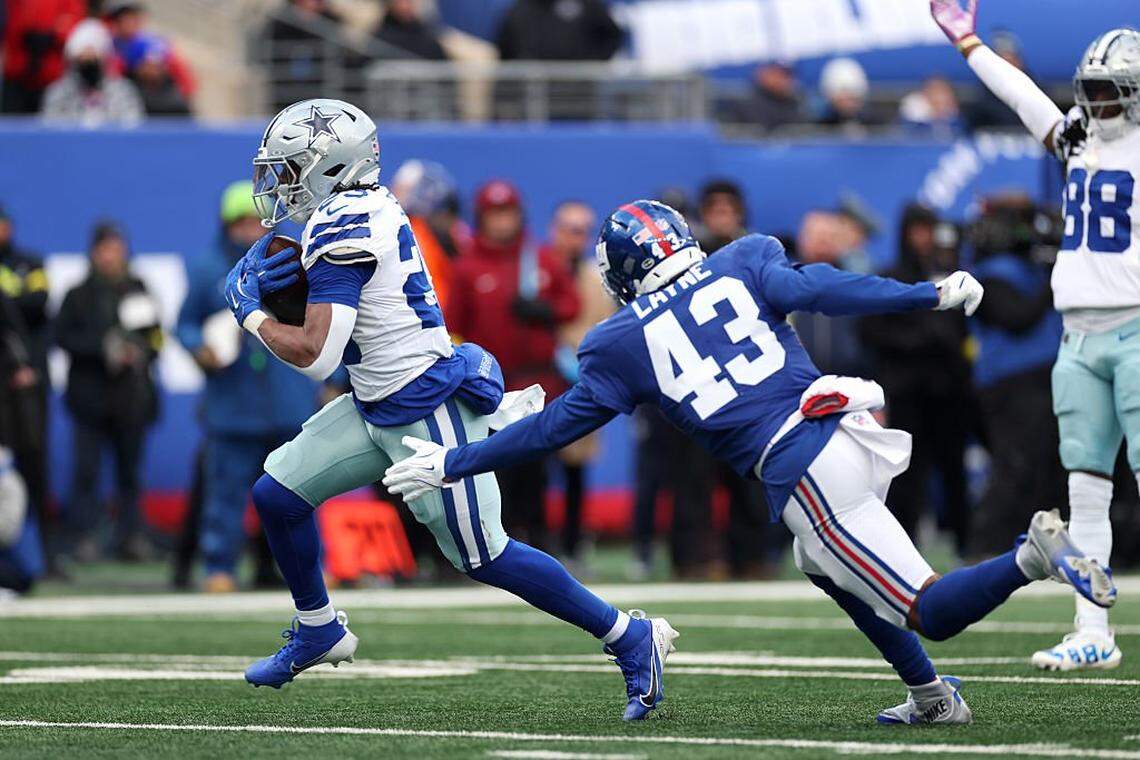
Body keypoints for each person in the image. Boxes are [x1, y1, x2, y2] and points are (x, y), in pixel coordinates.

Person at [385, 199, 1116, 725]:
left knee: (927, 609)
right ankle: (932, 697)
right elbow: (821, 288)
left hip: (802, 469)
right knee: (817, 563)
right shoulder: (743, 256)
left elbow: (550, 430)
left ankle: (1031, 557)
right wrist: (925, 293)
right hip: (843, 430)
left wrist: (457, 461)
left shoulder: (616, 343)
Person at [225, 99, 677, 721]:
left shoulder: (345, 225)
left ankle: (631, 636)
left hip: (423, 407)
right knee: (277, 493)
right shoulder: (361, 206)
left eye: (290, 168)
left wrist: (249, 310)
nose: (278, 184)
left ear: (331, 167)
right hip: (378, 401)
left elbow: (317, 355)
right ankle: (318, 628)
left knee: (484, 555)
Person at [931, 0, 1140, 672]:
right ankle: (1092, 630)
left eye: (1114, 92)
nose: (1101, 103)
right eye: (1094, 91)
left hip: (1137, 327)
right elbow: (1022, 98)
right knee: (1085, 489)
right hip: (1078, 338)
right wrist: (967, 44)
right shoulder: (1081, 135)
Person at [176, 181, 319, 592]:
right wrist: (197, 347)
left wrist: (335, 379)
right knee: (224, 496)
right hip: (233, 405)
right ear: (226, 225)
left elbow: (325, 320)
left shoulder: (295, 261)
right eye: (241, 222)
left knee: (301, 492)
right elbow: (184, 324)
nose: (250, 230)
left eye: (258, 221)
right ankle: (219, 566)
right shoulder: (207, 269)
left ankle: (307, 568)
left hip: (288, 400)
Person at [447, 180, 581, 552]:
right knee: (497, 468)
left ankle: (540, 542)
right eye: (494, 214)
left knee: (537, 469)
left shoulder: (539, 259)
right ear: (482, 218)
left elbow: (572, 306)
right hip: (491, 389)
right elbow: (452, 326)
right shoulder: (468, 267)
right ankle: (497, 545)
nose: (502, 222)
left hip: (538, 383)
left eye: (508, 213)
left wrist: (544, 312)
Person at [858, 204, 972, 554]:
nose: (923, 238)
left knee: (954, 471)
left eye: (928, 230)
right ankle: (903, 549)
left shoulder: (949, 275)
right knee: (906, 473)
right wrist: (920, 341)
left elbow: (962, 331)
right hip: (906, 392)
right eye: (917, 230)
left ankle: (965, 544)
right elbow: (870, 330)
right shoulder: (889, 277)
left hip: (948, 392)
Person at [56, 222, 162, 562]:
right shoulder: (78, 294)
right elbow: (62, 338)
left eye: (117, 249)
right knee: (86, 473)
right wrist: (102, 348)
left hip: (130, 400)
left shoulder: (138, 289)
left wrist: (139, 351)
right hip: (90, 400)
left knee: (130, 473)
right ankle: (83, 537)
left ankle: (131, 536)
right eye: (105, 249)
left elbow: (156, 338)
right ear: (93, 253)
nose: (111, 257)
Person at [967, 195, 1066, 556]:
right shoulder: (991, 274)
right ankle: (985, 547)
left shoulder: (1027, 268)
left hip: (1045, 378)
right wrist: (1054, 273)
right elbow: (1018, 318)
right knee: (1015, 465)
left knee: (1049, 468)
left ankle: (1038, 548)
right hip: (1011, 381)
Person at [0, 206, 51, 564]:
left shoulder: (27, 262)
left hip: (19, 386)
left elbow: (36, 304)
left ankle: (34, 555)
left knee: (29, 464)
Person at [41, 18, 144, 127]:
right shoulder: (58, 92)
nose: (88, 62)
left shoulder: (123, 90)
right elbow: (51, 129)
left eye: (94, 56)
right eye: (83, 57)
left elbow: (133, 126)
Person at [0, 0, 85, 113]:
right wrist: (24, 32)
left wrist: (53, 35)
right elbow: (8, 21)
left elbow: (74, 26)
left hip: (51, 78)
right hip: (17, 73)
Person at [732, 61, 803, 130]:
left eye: (787, 76)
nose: (782, 80)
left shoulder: (793, 104)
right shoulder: (747, 106)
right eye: (776, 74)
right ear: (762, 74)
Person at [373, 0, 447, 61]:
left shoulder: (428, 38)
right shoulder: (378, 41)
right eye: (400, 1)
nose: (405, 5)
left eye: (410, 1)